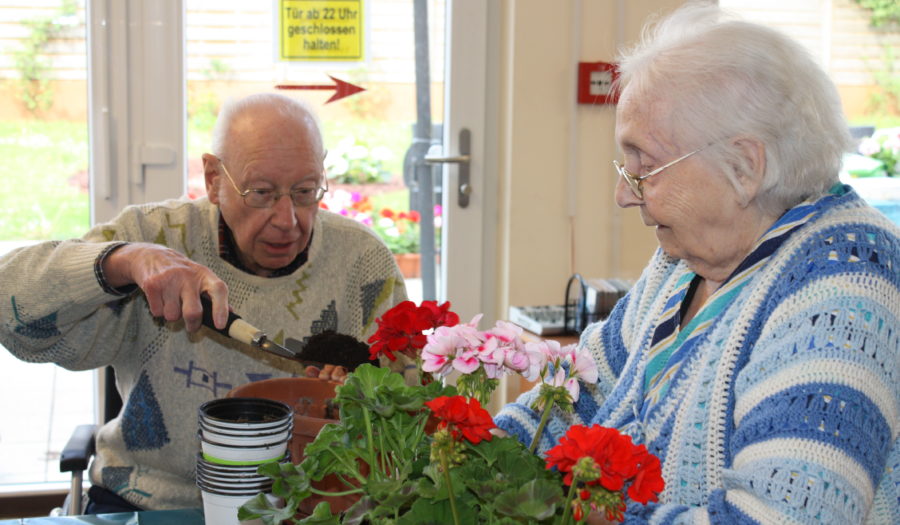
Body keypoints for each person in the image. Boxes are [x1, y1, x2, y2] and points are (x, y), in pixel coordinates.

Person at [494, 4, 899, 524]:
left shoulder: (846, 283)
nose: (623, 194)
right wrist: (482, 457)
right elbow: (579, 393)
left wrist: (587, 513)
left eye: (645, 165)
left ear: (745, 166)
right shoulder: (684, 262)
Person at [0, 92, 408, 512]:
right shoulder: (154, 235)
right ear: (214, 179)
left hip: (313, 508)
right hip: (152, 504)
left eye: (305, 191)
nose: (288, 220)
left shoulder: (361, 262)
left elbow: (404, 412)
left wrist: (355, 399)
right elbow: (10, 310)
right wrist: (122, 263)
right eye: (261, 192)